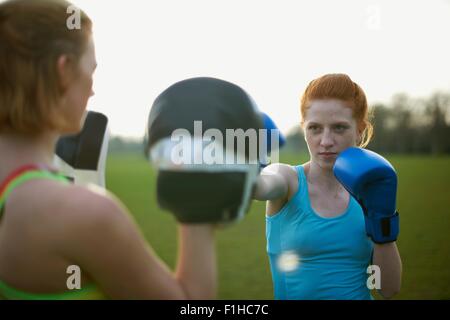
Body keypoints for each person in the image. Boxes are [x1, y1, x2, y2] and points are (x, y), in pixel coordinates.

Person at [0, 0, 220, 300]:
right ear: (63, 70)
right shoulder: (85, 214)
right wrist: (196, 202)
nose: (92, 89)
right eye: (91, 69)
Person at [252, 73, 402, 300]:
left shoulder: (369, 189)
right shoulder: (288, 180)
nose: (325, 141)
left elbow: (387, 288)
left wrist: (382, 225)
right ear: (304, 129)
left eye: (339, 128)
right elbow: (258, 186)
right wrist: (251, 161)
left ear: (360, 129)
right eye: (315, 128)